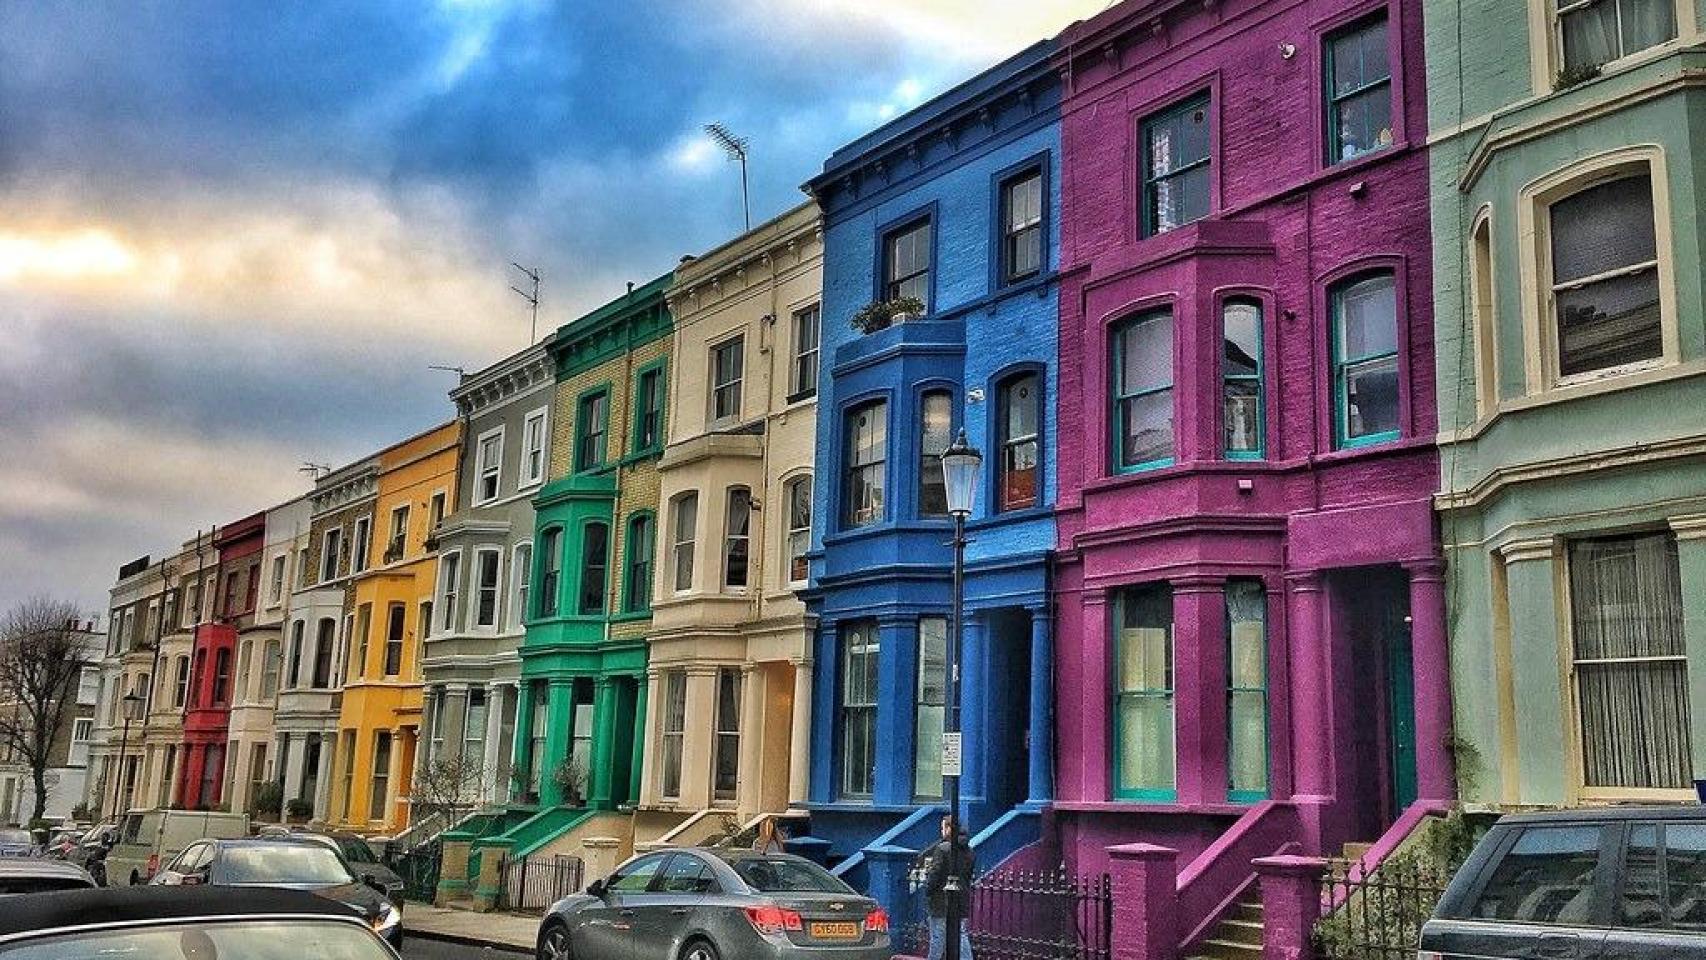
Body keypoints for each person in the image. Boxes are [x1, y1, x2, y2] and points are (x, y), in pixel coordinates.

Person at [915, 816, 975, 960]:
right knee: (961, 934)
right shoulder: (969, 851)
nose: (941, 831)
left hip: (941, 901)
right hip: (961, 899)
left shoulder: (942, 849)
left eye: (943, 828)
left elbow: (935, 874)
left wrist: (928, 888)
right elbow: (968, 875)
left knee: (937, 938)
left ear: (949, 829)